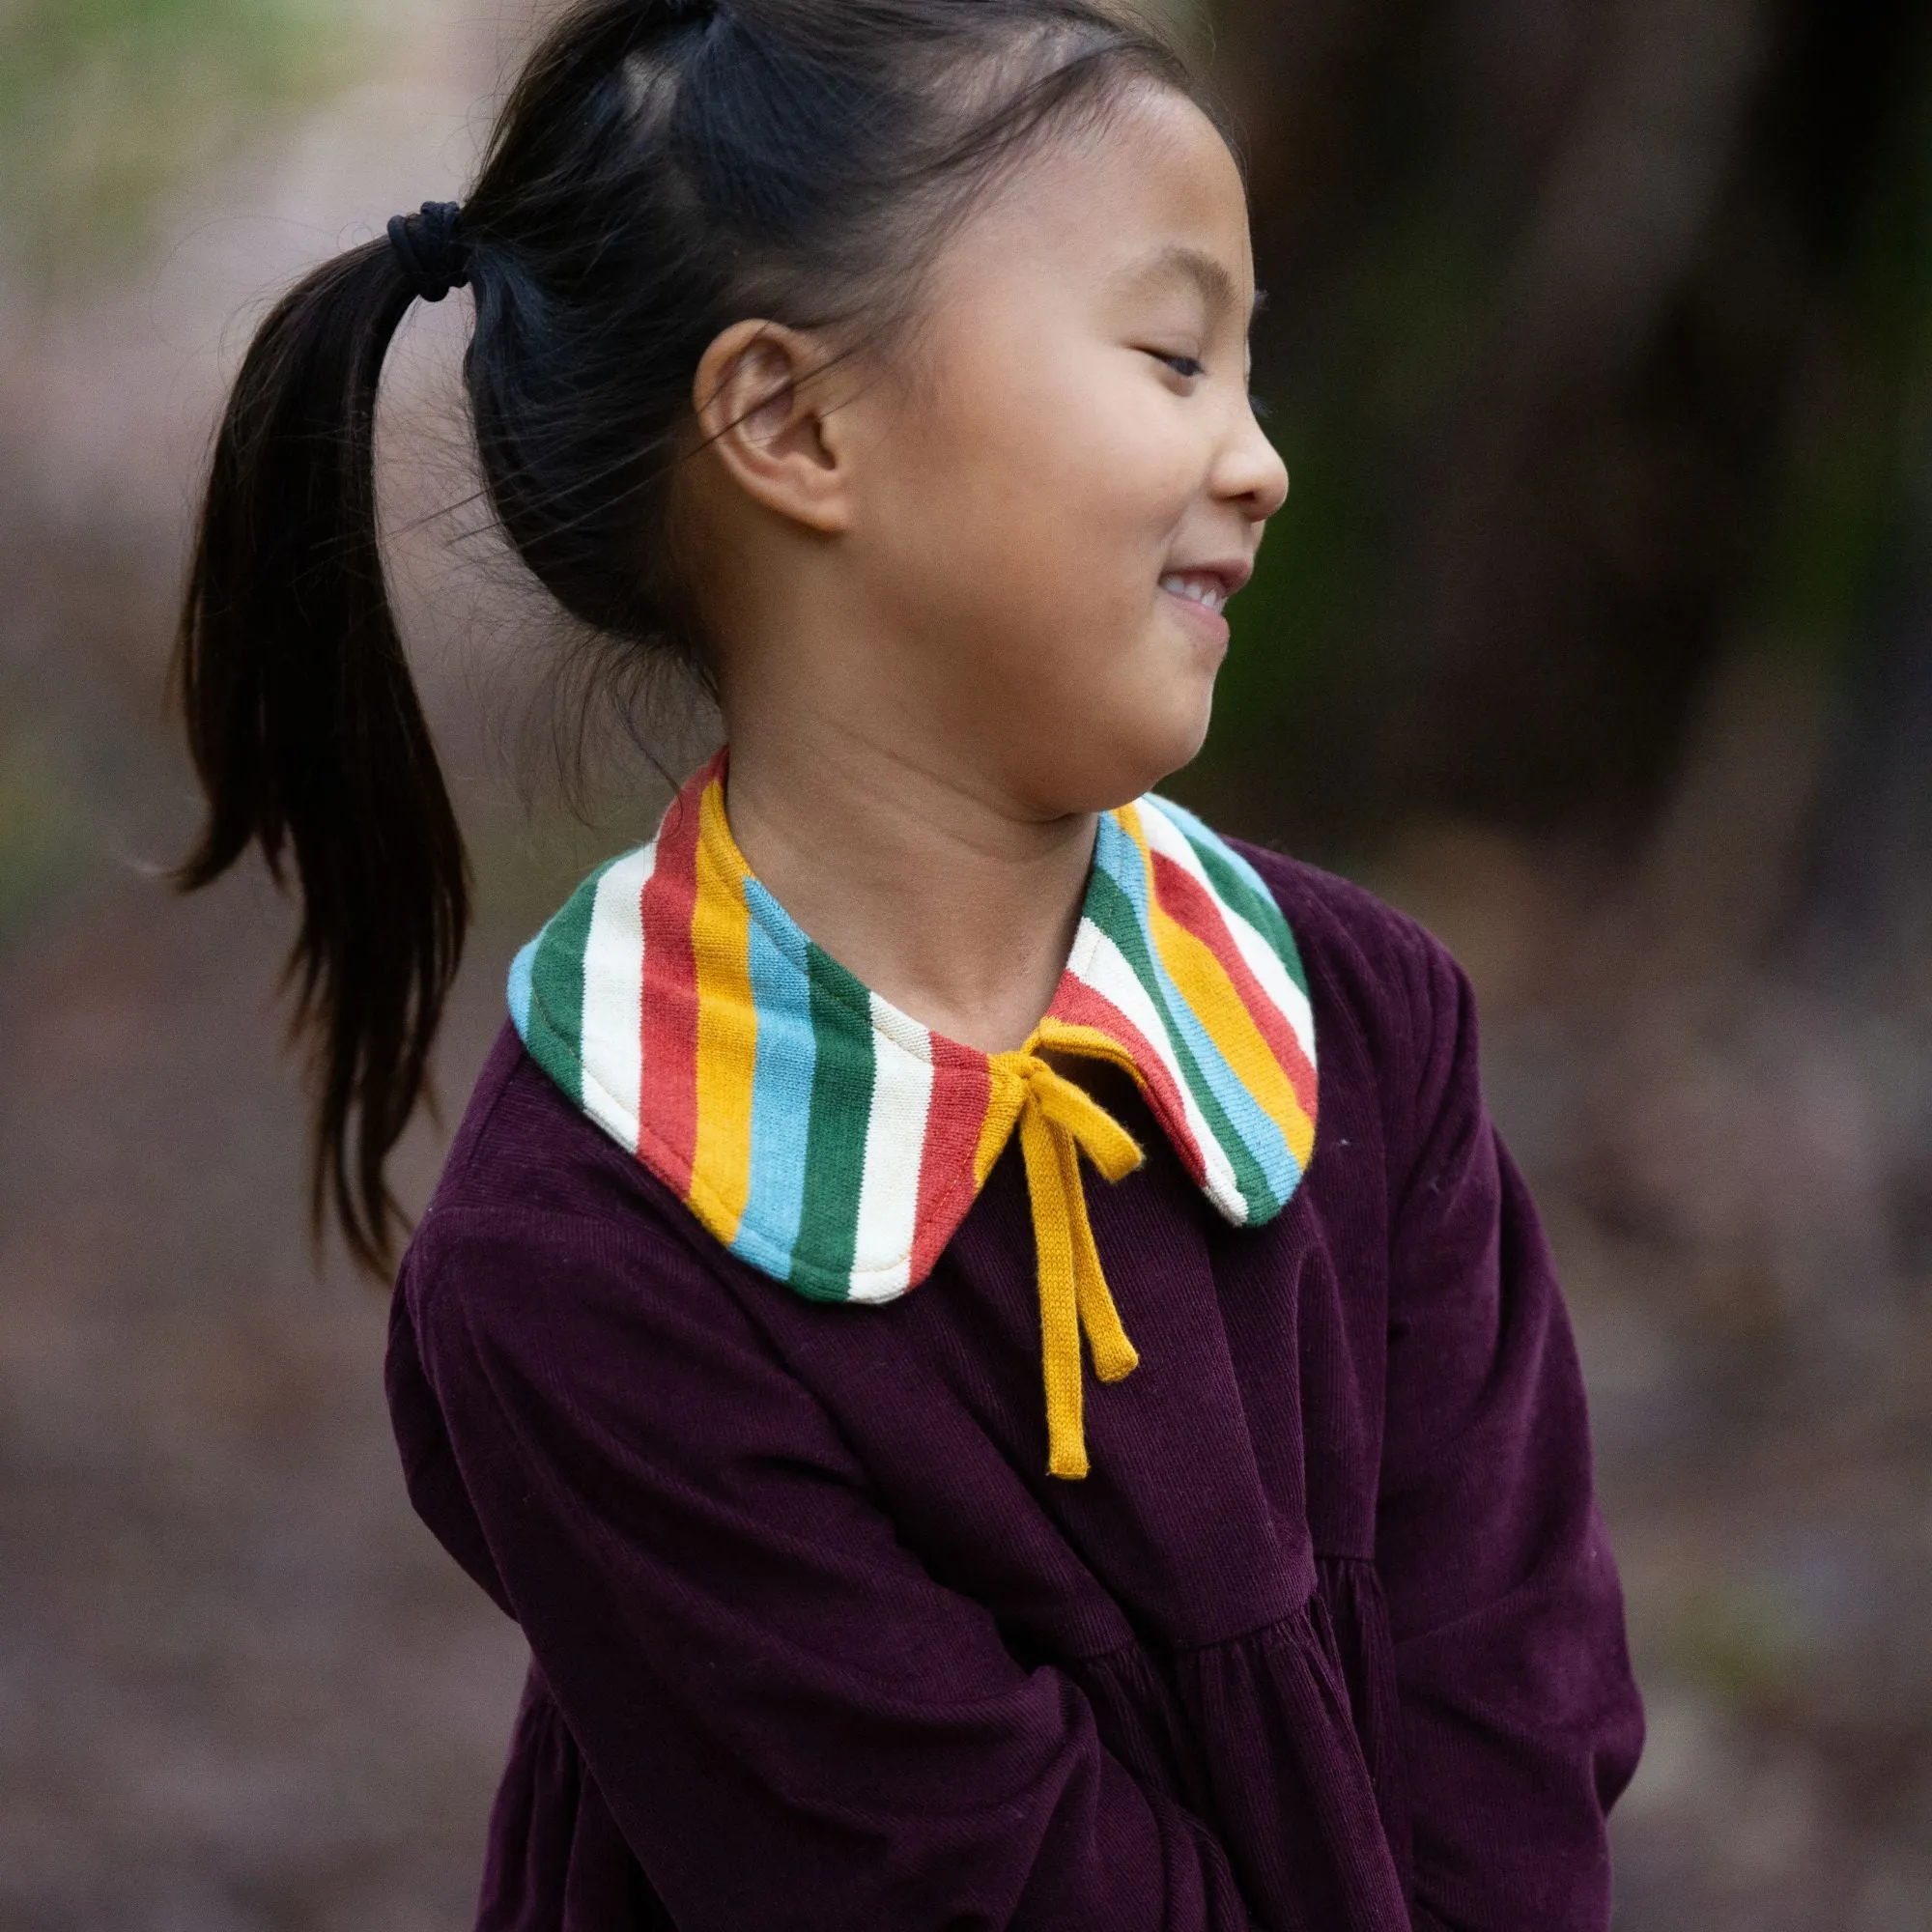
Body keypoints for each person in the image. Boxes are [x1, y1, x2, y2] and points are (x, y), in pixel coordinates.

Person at [172, 0, 1645, 1925]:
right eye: (1170, 353)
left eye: (1249, 369)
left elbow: (1515, 1713)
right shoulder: (583, 1253)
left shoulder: (1355, 1025)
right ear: (790, 421)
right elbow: (950, 1873)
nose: (1260, 458)